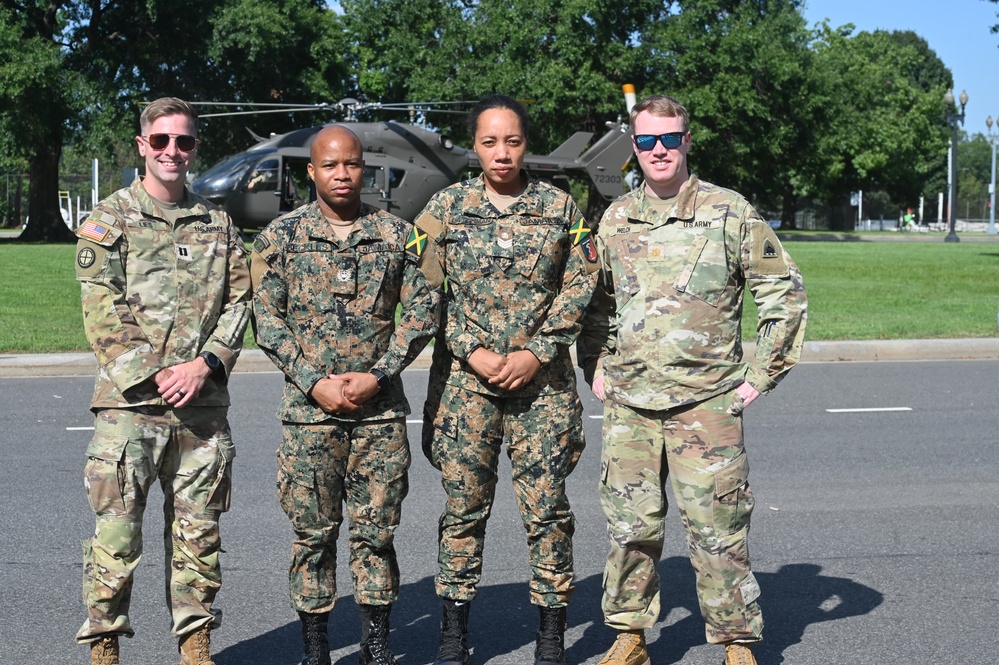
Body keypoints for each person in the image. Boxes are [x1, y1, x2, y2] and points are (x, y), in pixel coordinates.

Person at [579, 94, 807, 665]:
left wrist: (761, 374)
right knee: (631, 528)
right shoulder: (616, 217)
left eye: (669, 139)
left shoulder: (729, 212)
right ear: (634, 147)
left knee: (718, 529)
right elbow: (597, 304)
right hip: (631, 403)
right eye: (647, 141)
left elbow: (784, 295)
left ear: (686, 142)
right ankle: (630, 637)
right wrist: (596, 364)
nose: (659, 151)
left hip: (706, 403)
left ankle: (736, 643)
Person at [416, 94, 600, 665]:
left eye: (513, 141)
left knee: (547, 510)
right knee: (463, 511)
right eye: (490, 142)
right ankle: (453, 634)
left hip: (540, 389)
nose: (502, 153)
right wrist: (469, 348)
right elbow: (421, 291)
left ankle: (549, 637)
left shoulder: (561, 208)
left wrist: (538, 351)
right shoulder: (444, 208)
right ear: (475, 146)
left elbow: (583, 282)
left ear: (526, 144)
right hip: (465, 389)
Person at [251, 125, 442, 665]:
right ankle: (316, 649)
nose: (341, 174)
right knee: (312, 535)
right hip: (308, 415)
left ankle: (375, 646)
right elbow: (266, 319)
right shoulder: (280, 238)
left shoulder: (401, 236)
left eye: (352, 164)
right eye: (330, 165)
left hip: (378, 415)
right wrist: (312, 380)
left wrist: (379, 374)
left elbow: (423, 311)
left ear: (366, 169)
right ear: (310, 172)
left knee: (377, 533)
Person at [74, 97, 252, 665]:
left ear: (195, 147)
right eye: (162, 141)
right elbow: (102, 310)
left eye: (185, 142)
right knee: (116, 541)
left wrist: (206, 365)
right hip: (130, 410)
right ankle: (104, 648)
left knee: (199, 542)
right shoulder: (110, 219)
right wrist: (156, 376)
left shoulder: (217, 222)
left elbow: (240, 301)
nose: (173, 151)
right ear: (142, 146)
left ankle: (195, 650)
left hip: (202, 410)